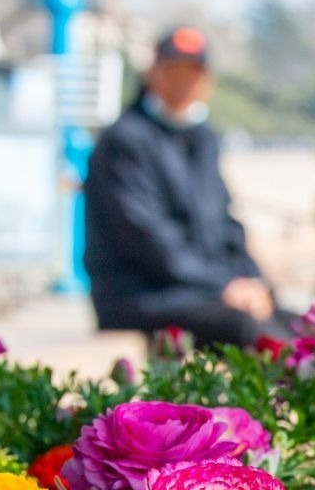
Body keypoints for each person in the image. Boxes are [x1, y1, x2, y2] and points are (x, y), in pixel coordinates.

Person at [84, 27, 288, 348]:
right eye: (173, 70)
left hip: (201, 289)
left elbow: (227, 226)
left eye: (192, 73)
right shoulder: (123, 141)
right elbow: (147, 238)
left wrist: (252, 280)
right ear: (153, 73)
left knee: (296, 322)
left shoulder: (204, 139)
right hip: (142, 295)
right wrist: (223, 285)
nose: (183, 82)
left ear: (207, 81)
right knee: (251, 330)